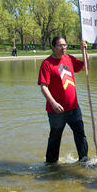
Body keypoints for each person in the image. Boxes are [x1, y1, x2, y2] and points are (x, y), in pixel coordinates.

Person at [38, 36, 89, 164]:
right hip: (56, 111)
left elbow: (85, 67)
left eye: (65, 45)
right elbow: (43, 87)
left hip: (73, 108)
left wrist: (84, 51)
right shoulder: (47, 64)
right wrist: (53, 103)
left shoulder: (69, 59)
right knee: (55, 137)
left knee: (80, 135)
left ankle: (84, 161)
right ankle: (51, 164)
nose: (63, 48)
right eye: (60, 45)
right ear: (53, 47)